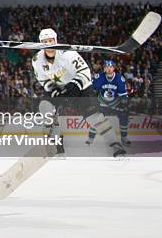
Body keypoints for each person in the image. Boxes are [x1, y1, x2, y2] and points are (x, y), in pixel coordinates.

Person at [32, 28, 126, 157]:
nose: (48, 44)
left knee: (94, 117)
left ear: (55, 40)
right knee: (45, 107)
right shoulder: (37, 59)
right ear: (41, 43)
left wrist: (75, 85)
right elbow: (42, 79)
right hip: (59, 88)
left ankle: (115, 145)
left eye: (50, 40)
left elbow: (85, 71)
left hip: (81, 88)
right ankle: (58, 148)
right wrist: (53, 90)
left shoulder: (68, 53)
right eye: (45, 41)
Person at [92, 60, 130, 146]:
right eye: (107, 67)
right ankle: (91, 138)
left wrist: (125, 105)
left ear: (114, 68)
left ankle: (124, 138)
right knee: (97, 119)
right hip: (102, 103)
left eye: (111, 67)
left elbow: (123, 94)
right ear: (104, 69)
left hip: (115, 103)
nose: (109, 69)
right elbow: (92, 89)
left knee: (124, 115)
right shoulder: (99, 77)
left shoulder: (119, 78)